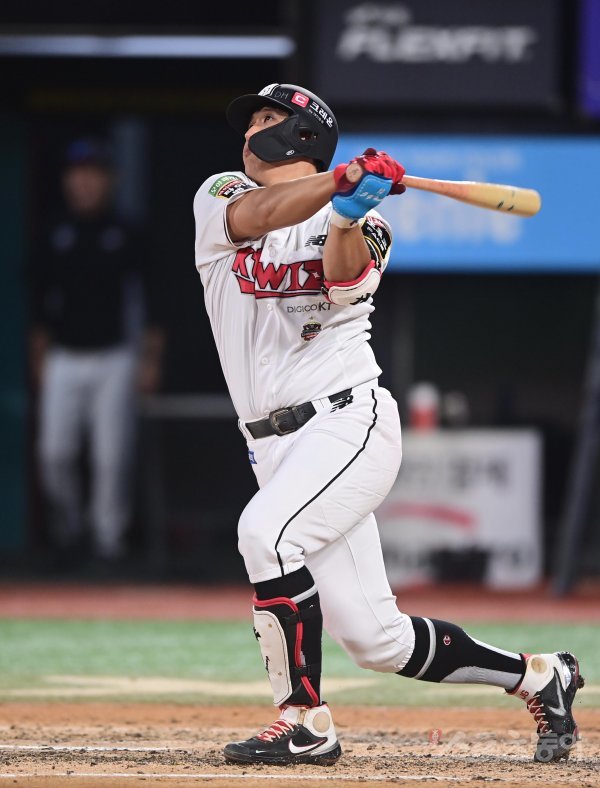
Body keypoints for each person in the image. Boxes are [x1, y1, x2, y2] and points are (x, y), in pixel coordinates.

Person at [193, 83, 583, 766]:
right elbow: (261, 214)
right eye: (251, 120)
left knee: (265, 535)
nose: (250, 131)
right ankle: (540, 677)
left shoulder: (370, 224)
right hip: (271, 446)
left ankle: (304, 722)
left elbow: (343, 281)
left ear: (302, 136)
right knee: (379, 641)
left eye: (266, 119)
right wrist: (339, 183)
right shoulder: (221, 193)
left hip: (346, 423)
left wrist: (347, 215)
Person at [29, 138, 164, 568]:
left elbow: (151, 302)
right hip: (64, 356)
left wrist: (149, 360)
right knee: (54, 453)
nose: (83, 183)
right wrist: (39, 359)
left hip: (115, 357)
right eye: (77, 174)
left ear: (109, 179)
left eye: (92, 174)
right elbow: (39, 305)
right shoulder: (53, 232)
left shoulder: (127, 232)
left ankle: (109, 542)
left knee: (111, 457)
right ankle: (68, 532)